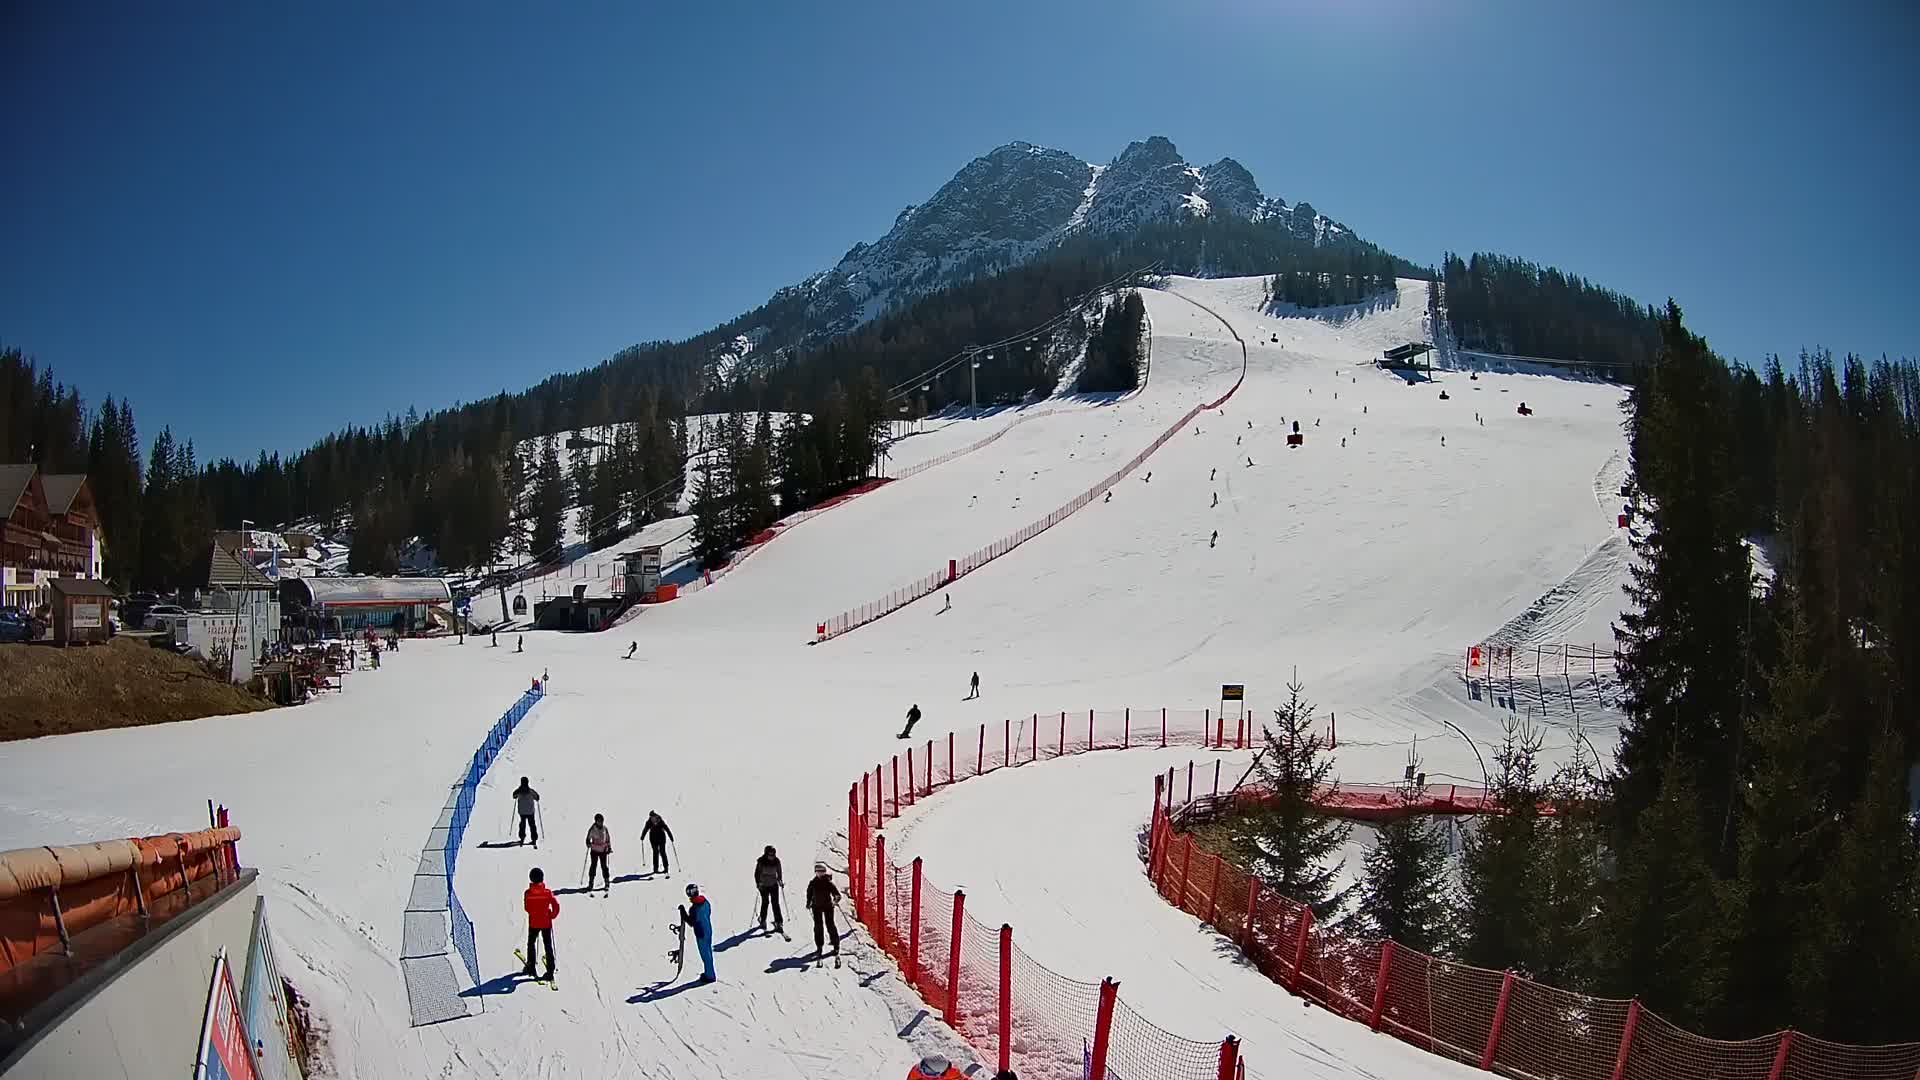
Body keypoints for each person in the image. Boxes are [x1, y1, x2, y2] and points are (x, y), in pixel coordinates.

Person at [521, 867, 558, 981]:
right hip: (546, 922)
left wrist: (534, 913)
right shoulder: (547, 893)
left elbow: (527, 908)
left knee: (531, 943)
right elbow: (556, 906)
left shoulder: (528, 893)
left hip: (533, 922)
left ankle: (531, 966)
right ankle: (550, 971)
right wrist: (551, 915)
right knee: (548, 945)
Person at [681, 883, 716, 983]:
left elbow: (691, 922)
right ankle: (709, 972)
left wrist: (683, 913)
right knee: (708, 952)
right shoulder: (705, 902)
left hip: (701, 932)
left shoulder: (694, 909)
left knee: (705, 954)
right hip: (708, 929)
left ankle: (710, 976)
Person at [807, 862, 841, 958]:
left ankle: (836, 945)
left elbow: (837, 894)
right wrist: (808, 902)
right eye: (819, 871)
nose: (821, 873)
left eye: (823, 871)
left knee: (830, 925)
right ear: (816, 872)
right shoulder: (813, 883)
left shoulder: (828, 883)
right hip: (816, 906)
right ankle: (819, 946)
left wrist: (835, 900)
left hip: (827, 906)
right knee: (818, 927)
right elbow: (809, 894)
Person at [753, 846, 784, 934]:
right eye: (770, 854)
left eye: (773, 854)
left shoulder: (777, 861)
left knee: (775, 903)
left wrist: (780, 880)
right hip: (763, 885)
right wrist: (758, 882)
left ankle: (779, 922)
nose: (772, 856)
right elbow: (757, 873)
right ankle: (763, 920)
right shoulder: (761, 861)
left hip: (774, 884)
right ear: (766, 854)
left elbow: (779, 872)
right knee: (765, 902)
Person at [585, 814, 612, 890]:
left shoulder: (605, 829)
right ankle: (591, 884)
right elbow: (588, 838)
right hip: (594, 851)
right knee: (593, 866)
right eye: (599, 821)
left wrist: (609, 847)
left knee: (604, 867)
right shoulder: (592, 829)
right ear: (596, 821)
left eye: (602, 821)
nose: (601, 822)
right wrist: (588, 843)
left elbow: (607, 839)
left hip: (603, 851)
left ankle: (607, 883)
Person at [513, 777, 540, 847]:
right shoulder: (530, 791)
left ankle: (522, 837)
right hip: (530, 811)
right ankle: (534, 839)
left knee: (522, 824)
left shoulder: (518, 791)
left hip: (522, 811)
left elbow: (514, 796)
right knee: (532, 825)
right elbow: (537, 797)